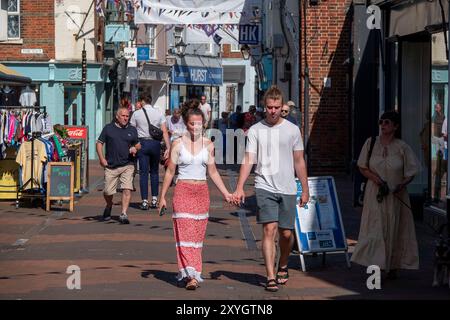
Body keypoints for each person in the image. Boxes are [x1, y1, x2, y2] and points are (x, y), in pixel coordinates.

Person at [232, 85, 309, 292]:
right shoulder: (256, 130)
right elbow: (249, 159)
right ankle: (270, 275)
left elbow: (299, 160)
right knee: (269, 229)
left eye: (276, 107)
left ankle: (283, 263)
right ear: (264, 107)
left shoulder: (292, 130)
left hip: (288, 187)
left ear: (282, 106)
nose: (273, 111)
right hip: (264, 185)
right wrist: (239, 187)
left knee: (285, 234)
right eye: (269, 107)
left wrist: (305, 188)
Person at [158, 99, 233, 290]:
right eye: (192, 123)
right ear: (186, 123)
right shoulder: (177, 144)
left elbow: (213, 171)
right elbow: (170, 172)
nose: (195, 127)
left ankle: (190, 271)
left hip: (201, 192)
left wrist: (226, 193)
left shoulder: (208, 145)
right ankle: (190, 275)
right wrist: (162, 196)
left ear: (204, 124)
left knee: (197, 237)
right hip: (183, 190)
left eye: (199, 123)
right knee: (184, 234)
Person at [351, 111, 420, 280]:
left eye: (387, 122)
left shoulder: (402, 147)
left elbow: (411, 171)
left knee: (395, 228)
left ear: (395, 126)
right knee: (375, 227)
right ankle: (376, 266)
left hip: (396, 195)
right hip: (375, 193)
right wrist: (377, 180)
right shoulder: (371, 143)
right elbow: (362, 166)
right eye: (381, 121)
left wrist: (401, 184)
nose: (383, 125)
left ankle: (393, 264)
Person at [96, 107, 141, 224]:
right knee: (107, 192)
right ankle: (109, 205)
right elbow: (99, 143)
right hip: (111, 165)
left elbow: (138, 145)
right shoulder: (108, 128)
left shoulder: (132, 129)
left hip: (128, 164)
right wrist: (101, 159)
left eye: (127, 116)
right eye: (123, 116)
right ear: (117, 116)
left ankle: (123, 214)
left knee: (127, 188)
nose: (126, 118)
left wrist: (134, 148)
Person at [129, 95, 170, 210]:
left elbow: (132, 131)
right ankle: (155, 199)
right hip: (155, 144)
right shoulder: (159, 113)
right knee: (155, 172)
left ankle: (144, 201)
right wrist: (168, 147)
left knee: (143, 173)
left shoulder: (136, 114)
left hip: (142, 143)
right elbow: (165, 131)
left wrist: (132, 145)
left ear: (142, 102)